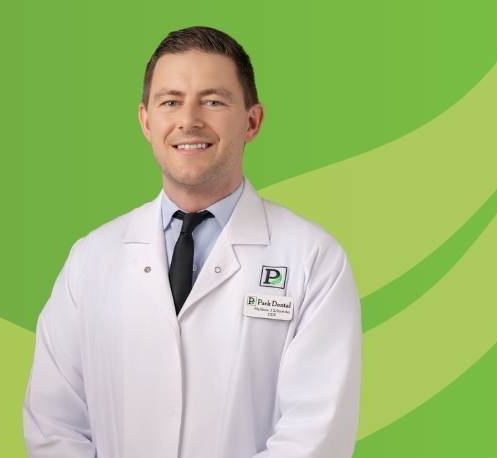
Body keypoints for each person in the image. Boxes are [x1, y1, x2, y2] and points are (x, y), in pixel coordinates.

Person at [23, 26, 362, 458]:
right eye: (170, 101)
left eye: (213, 101)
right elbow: (54, 425)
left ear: (252, 121)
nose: (189, 120)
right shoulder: (91, 258)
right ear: (146, 121)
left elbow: (314, 436)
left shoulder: (313, 259)